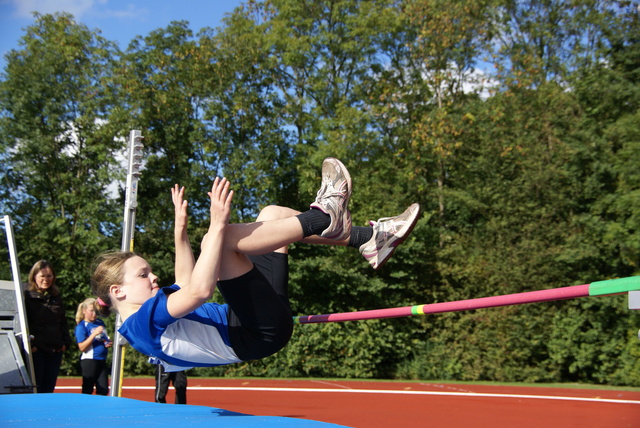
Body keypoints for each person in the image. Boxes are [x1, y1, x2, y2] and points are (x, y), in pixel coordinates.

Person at [91, 158, 420, 372]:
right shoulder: (139, 324)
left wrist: (180, 230)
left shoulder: (151, 312)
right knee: (221, 240)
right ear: (117, 290)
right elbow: (200, 290)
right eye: (143, 273)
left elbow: (184, 279)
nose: (153, 276)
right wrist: (216, 226)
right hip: (254, 332)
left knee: (272, 215)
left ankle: (371, 239)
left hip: (252, 317)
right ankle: (324, 215)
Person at [24, 260, 73, 393]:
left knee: (48, 390)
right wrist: (31, 346)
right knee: (35, 390)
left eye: (49, 276)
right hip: (36, 350)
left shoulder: (56, 296)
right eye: (42, 276)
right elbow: (23, 322)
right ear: (34, 276)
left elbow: (62, 321)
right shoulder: (26, 295)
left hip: (55, 350)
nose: (46, 279)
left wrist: (65, 343)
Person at [74, 298, 112, 395]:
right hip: (89, 360)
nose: (94, 314)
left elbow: (103, 338)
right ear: (84, 311)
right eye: (91, 311)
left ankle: (100, 409)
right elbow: (82, 347)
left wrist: (106, 343)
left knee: (103, 389)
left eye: (96, 311)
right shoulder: (82, 326)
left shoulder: (100, 323)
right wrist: (94, 334)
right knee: (88, 388)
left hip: (101, 359)